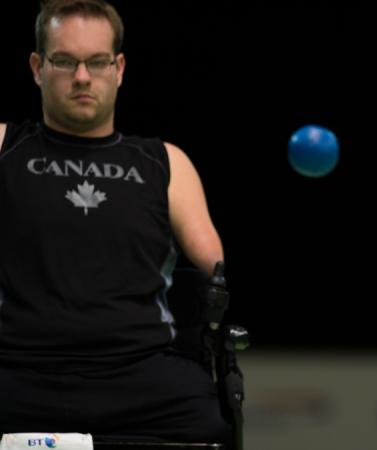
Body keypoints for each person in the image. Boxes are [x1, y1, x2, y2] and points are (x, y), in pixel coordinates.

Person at [0, 0, 229, 443]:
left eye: (97, 62)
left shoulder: (165, 160)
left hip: (138, 376)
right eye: (65, 61)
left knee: (206, 420)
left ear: (119, 68)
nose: (82, 77)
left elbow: (213, 269)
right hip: (19, 370)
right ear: (37, 67)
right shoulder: (6, 146)